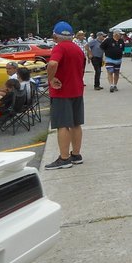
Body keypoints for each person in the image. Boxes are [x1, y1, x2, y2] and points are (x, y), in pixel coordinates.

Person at [44, 21, 86, 170]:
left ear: (55, 36)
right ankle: (76, 154)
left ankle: (64, 158)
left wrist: (51, 79)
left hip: (62, 92)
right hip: (77, 90)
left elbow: (53, 64)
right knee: (76, 123)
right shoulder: (78, 49)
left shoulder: (59, 48)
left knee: (62, 125)